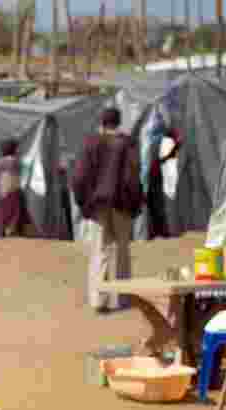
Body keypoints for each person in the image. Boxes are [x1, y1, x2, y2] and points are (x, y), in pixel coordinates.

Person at [71, 107, 143, 313]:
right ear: (118, 123)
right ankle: (121, 299)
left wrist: (83, 202)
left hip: (98, 204)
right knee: (121, 250)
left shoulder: (91, 143)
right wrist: (135, 203)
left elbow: (79, 177)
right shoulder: (128, 143)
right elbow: (133, 176)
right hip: (122, 203)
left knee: (100, 250)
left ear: (101, 123)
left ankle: (99, 299)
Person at [139, 108, 182, 241]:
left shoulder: (154, 139)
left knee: (157, 206)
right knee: (157, 206)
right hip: (156, 176)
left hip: (155, 177)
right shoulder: (159, 139)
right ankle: (159, 232)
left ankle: (158, 232)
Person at [0, 139, 32, 238]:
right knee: (14, 212)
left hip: (5, 190)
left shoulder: (3, 161)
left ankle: (2, 233)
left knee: (4, 212)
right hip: (16, 189)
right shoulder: (18, 161)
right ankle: (11, 232)